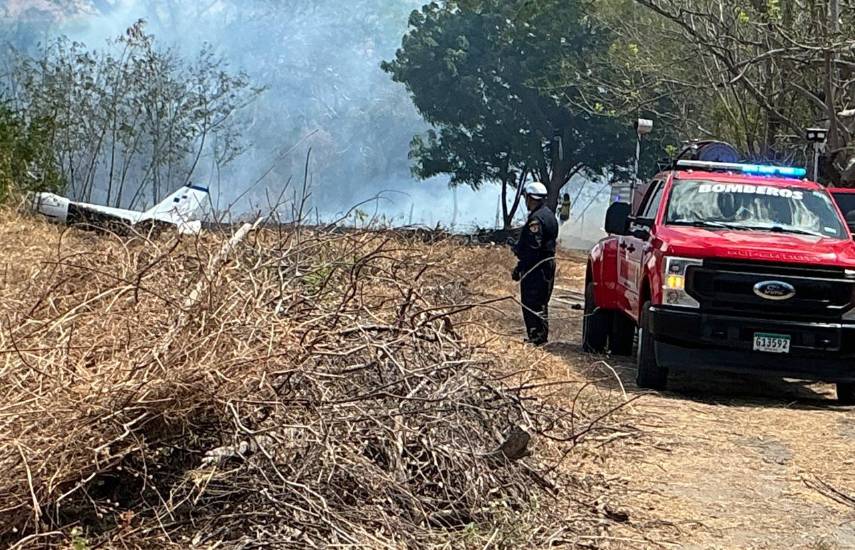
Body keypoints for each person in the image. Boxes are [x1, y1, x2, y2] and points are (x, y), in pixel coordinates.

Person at [511, 182, 559, 345]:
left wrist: (520, 260)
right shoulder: (548, 214)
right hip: (546, 264)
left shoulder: (536, 219)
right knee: (541, 300)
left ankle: (536, 337)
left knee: (532, 300)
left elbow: (533, 247)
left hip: (536, 266)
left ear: (530, 198)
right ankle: (539, 336)